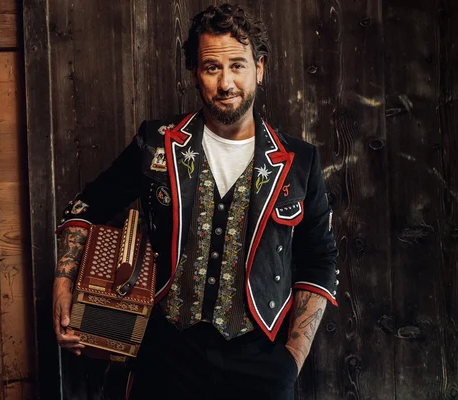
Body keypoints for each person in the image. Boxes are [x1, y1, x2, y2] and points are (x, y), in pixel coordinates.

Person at [52, 4, 339, 399]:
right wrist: (63, 283)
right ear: (194, 74)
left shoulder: (298, 161)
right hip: (166, 355)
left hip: (261, 359)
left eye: (237, 66)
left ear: (259, 69)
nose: (226, 83)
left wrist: (291, 360)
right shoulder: (155, 143)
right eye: (211, 68)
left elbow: (319, 260)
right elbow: (88, 205)